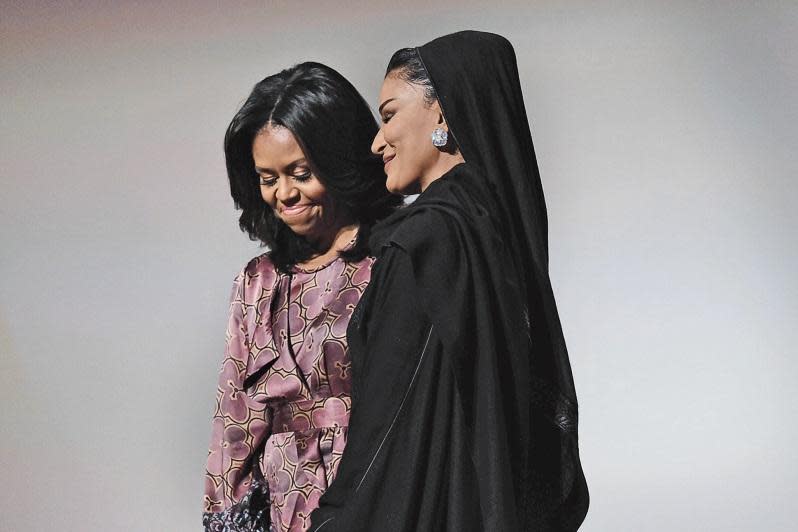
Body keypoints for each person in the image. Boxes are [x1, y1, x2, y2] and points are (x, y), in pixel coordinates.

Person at [309, 31, 589, 531]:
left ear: (441, 112)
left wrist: (334, 519)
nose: (377, 142)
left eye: (389, 115)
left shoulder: (425, 243)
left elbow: (387, 422)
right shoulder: (492, 230)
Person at [202, 62, 400, 532]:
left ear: (341, 161)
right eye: (268, 179)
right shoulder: (257, 283)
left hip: (382, 498)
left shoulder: (392, 260)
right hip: (284, 513)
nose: (284, 194)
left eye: (301, 172)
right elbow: (233, 424)